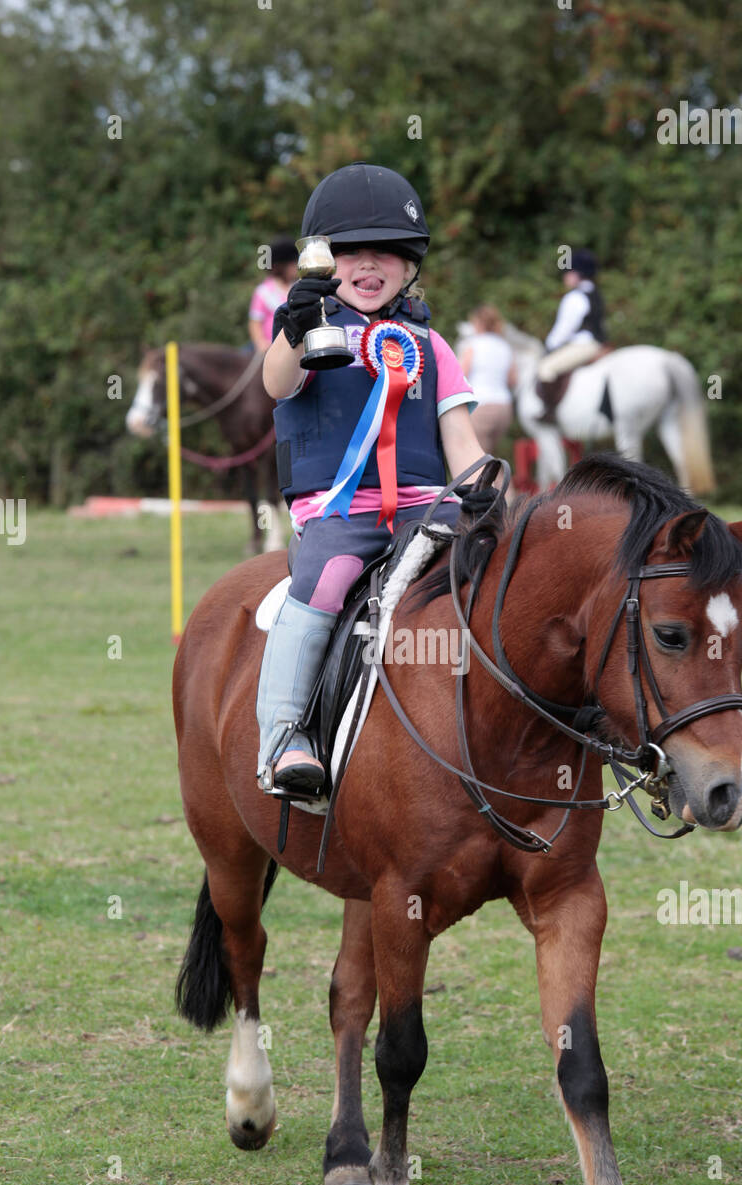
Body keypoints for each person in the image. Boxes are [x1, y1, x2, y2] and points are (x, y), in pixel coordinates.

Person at [256, 161, 486, 798]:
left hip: (425, 510)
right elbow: (277, 383)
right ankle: (283, 737)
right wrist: (294, 330)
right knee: (327, 580)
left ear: (410, 266)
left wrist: (485, 493)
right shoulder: (311, 332)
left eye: (385, 252)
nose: (368, 264)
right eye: (351, 251)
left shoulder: (429, 345)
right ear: (326, 260)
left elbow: (461, 441)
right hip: (338, 514)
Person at [537, 249, 608, 384]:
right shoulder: (596, 294)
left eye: (568, 272)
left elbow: (564, 329)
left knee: (544, 367)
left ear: (578, 273)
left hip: (583, 345)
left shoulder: (575, 297)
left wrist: (549, 346)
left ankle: (550, 406)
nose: (565, 276)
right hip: (600, 344)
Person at [458, 305, 516, 455]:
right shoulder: (505, 346)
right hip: (503, 407)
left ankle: (504, 480)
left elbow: (460, 375)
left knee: (477, 460)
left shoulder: (472, 345)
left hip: (480, 405)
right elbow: (513, 380)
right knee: (490, 456)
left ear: (478, 323)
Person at [248, 238, 299, 352]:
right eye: (293, 264)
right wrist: (260, 342)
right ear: (281, 266)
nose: (297, 267)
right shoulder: (263, 292)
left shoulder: (298, 288)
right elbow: (255, 322)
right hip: (269, 347)